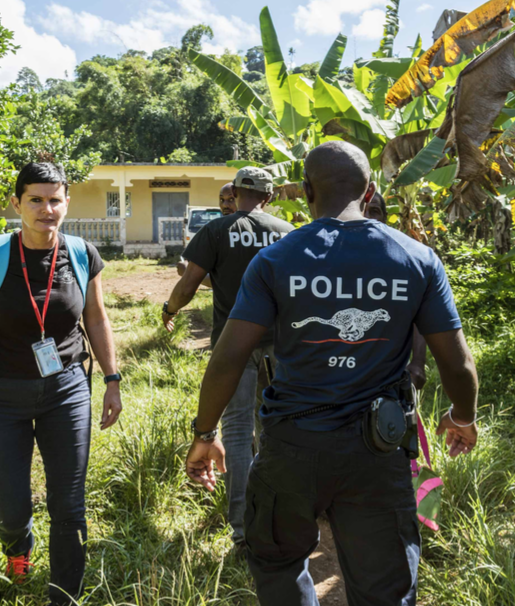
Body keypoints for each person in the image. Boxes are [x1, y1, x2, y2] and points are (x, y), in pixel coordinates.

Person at [185, 141, 479, 606]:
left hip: (292, 447)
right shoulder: (417, 259)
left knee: (280, 566)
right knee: (384, 587)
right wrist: (462, 415)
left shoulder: (277, 260)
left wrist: (205, 432)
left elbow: (228, 357)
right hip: (378, 452)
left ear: (305, 192)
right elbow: (457, 362)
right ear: (370, 191)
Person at [0, 163, 123, 606]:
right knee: (11, 507)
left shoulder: (82, 254)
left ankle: (65, 596)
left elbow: (95, 316)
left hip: (67, 391)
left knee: (69, 503)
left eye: (55, 200)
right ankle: (18, 546)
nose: (46, 209)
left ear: (66, 204)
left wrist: (112, 379)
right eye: (35, 200)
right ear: (17, 204)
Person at [163, 166, 294, 547]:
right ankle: (282, 516)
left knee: (236, 433)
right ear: (268, 197)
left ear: (235, 194)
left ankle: (242, 529)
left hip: (232, 346)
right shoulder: (287, 234)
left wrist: (170, 310)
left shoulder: (216, 231)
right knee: (276, 429)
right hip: (281, 346)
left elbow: (188, 284)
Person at [364, 187, 428, 390]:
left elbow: (420, 312)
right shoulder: (328, 257)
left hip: (392, 372)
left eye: (374, 211)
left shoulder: (405, 259)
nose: (367, 217)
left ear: (384, 217)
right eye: (362, 210)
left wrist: (418, 362)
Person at [177, 183, 237, 280]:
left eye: (231, 199)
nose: (225, 205)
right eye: (221, 200)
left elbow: (230, 282)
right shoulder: (213, 231)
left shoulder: (250, 230)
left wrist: (186, 272)